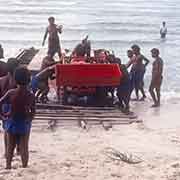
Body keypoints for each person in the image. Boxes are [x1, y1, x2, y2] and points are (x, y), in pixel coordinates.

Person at [0, 66, 35, 169]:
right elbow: (33, 110)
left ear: (15, 80)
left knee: (10, 146)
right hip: (24, 122)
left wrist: (3, 115)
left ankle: (8, 166)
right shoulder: (31, 95)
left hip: (12, 121)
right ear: (29, 80)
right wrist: (30, 119)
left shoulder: (11, 93)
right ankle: (24, 165)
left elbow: (0, 102)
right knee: (24, 147)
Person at [0, 58, 19, 158]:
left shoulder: (2, 80)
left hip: (4, 108)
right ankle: (18, 149)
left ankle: (7, 151)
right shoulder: (17, 82)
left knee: (7, 131)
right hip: (15, 107)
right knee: (17, 131)